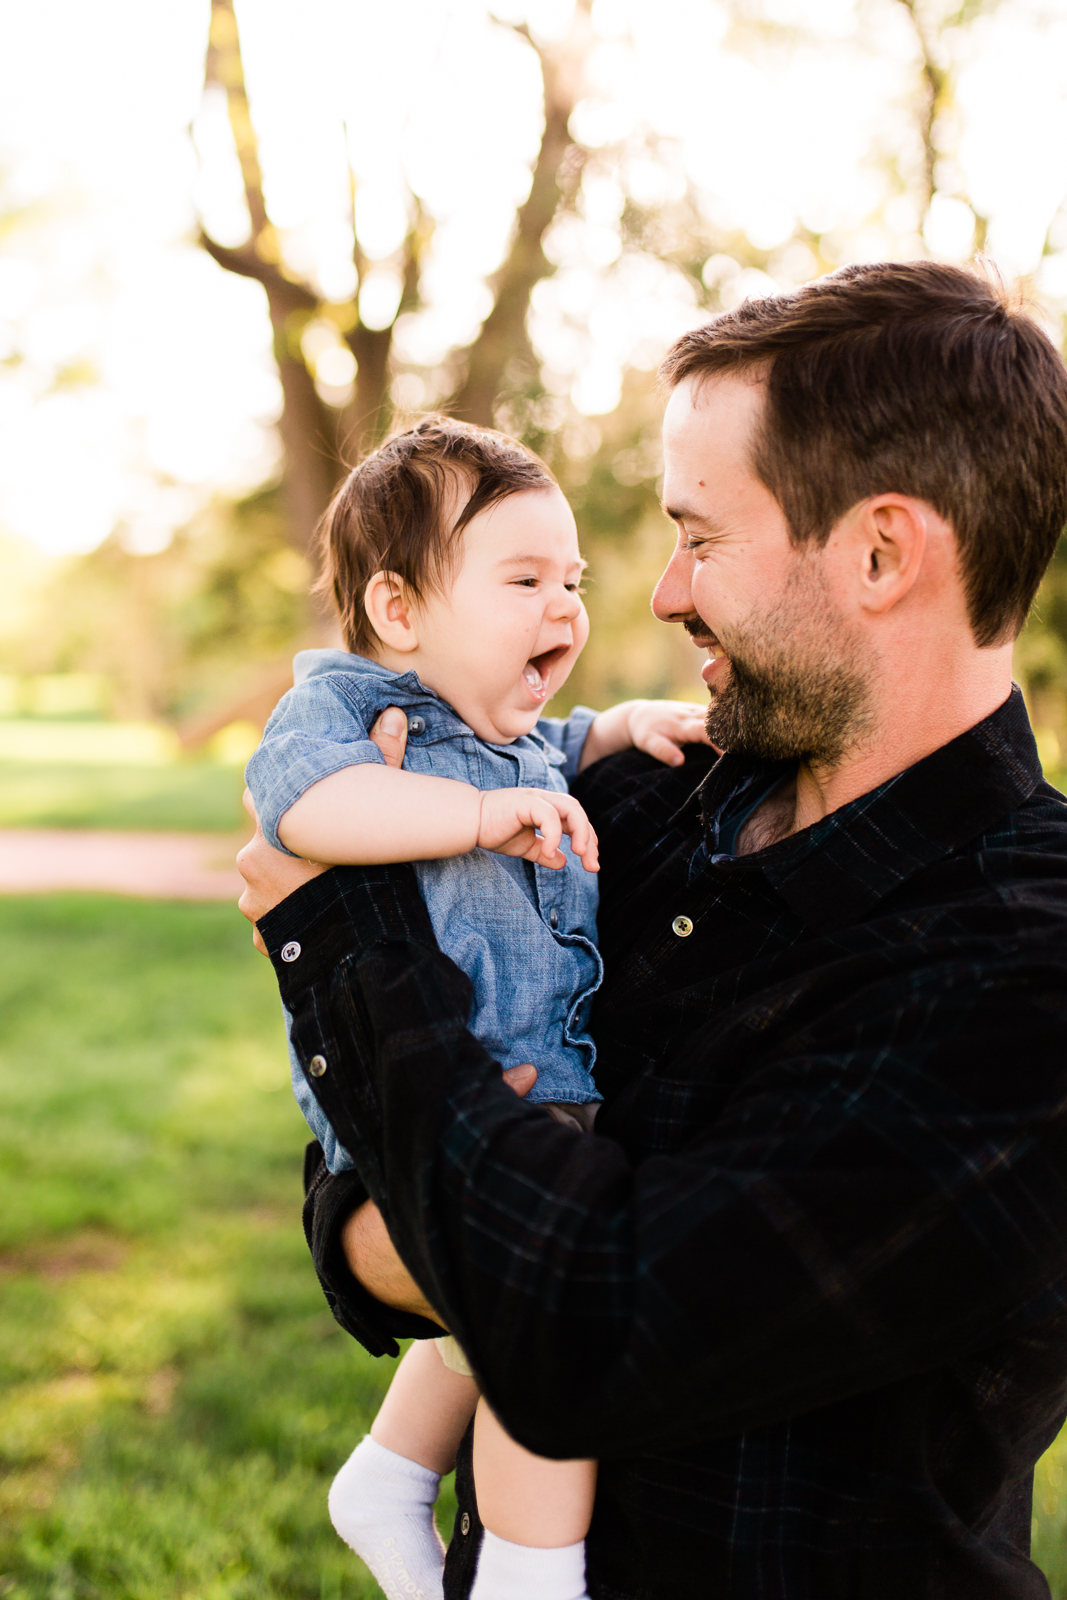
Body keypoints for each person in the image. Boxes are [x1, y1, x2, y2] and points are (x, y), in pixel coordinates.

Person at [238, 260, 1067, 1599]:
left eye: (701, 537)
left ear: (879, 551)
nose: (662, 593)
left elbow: (584, 1332)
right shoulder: (623, 799)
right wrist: (453, 1208)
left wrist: (345, 933)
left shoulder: (1025, 958)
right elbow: (358, 1186)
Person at [243, 414, 710, 1600]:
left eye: (572, 580)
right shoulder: (345, 709)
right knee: (537, 1312)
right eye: (522, 579)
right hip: (413, 1076)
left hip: (522, 1077)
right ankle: (528, 1570)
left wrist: (615, 730)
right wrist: (470, 819)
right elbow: (303, 812)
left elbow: (553, 744)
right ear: (399, 611)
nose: (563, 607)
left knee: (494, 1298)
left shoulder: (508, 733)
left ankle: (393, 1473)